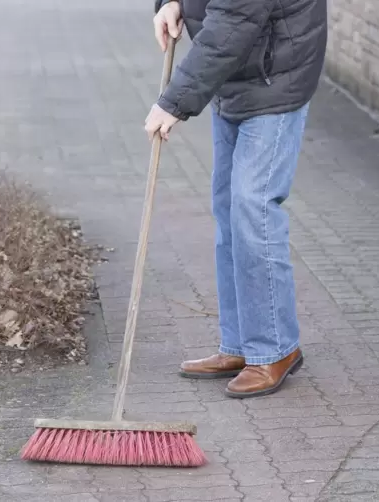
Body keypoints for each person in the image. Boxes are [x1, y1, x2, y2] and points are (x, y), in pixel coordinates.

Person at [144, 0, 327, 398]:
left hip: (275, 76)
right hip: (236, 75)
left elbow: (236, 18)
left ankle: (274, 348)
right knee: (229, 210)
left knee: (252, 207)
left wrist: (174, 101)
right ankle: (242, 345)